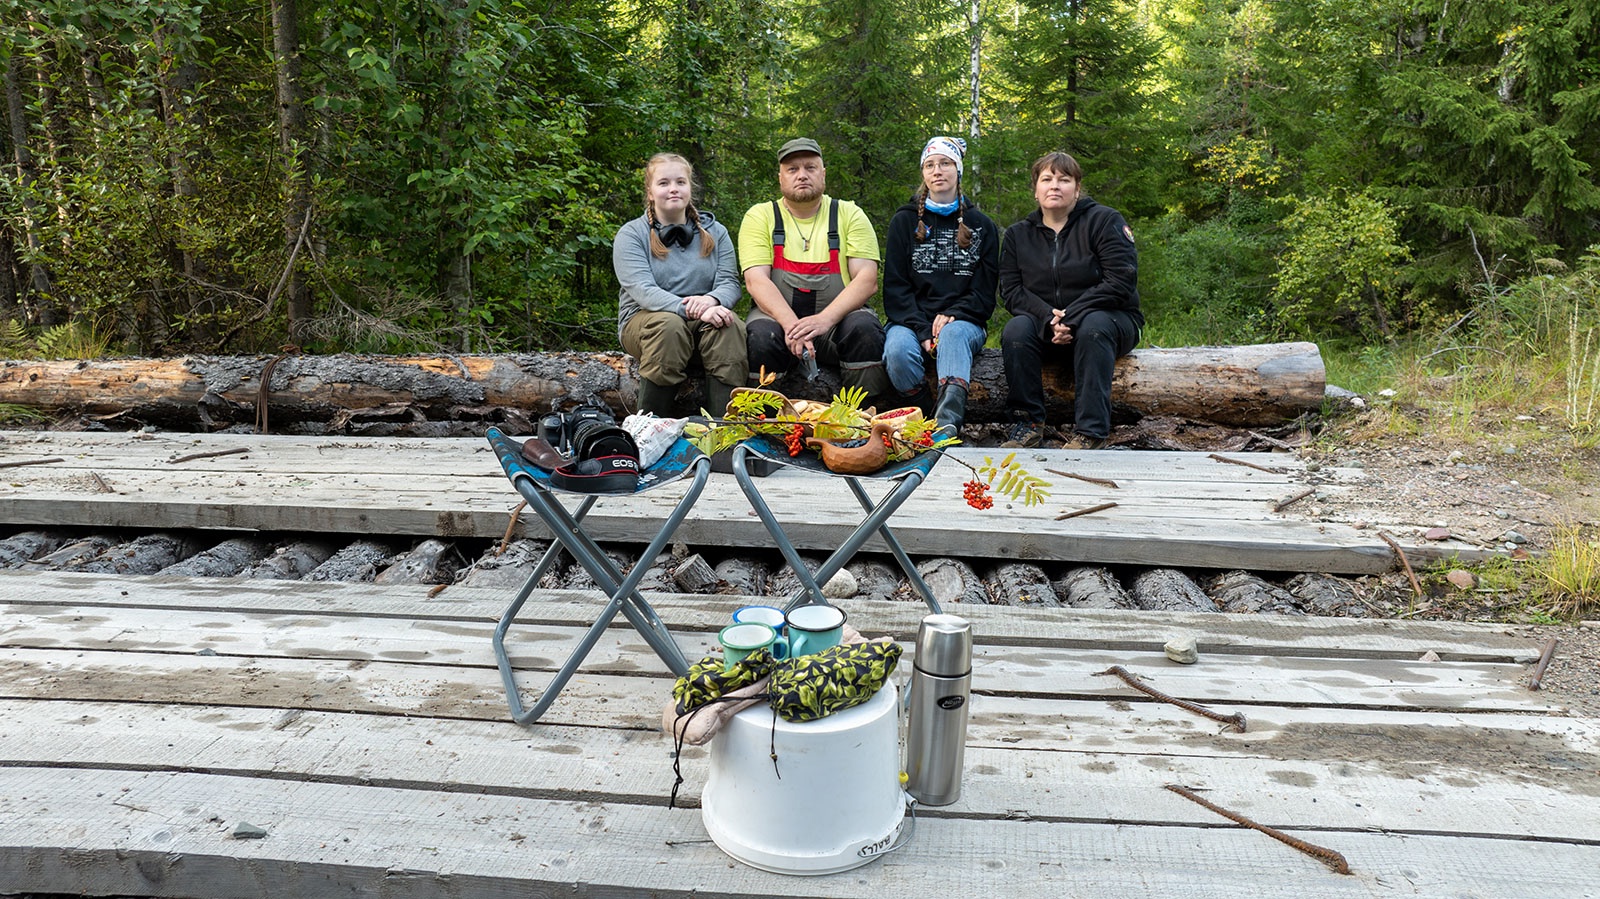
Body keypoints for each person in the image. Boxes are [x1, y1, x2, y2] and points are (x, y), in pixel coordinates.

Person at [999, 151, 1142, 449]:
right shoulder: (1017, 235)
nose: (1055, 186)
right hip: (1048, 326)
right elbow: (1011, 291)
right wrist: (1048, 319)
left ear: (1077, 189)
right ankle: (1028, 424)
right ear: (1035, 189)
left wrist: (1071, 316)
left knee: (1093, 326)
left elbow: (1121, 280)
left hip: (1111, 321)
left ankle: (1090, 432)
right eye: (1047, 179)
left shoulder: (1104, 221)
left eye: (1064, 180)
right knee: (1015, 331)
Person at [739, 138, 891, 404]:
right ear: (780, 178)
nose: (802, 175)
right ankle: (761, 425)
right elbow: (755, 280)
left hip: (834, 327)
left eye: (810, 167)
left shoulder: (849, 214)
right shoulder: (760, 216)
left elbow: (866, 280)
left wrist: (823, 320)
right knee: (763, 336)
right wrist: (791, 326)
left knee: (864, 328)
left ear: (823, 173)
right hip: (778, 324)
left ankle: (863, 422)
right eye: (792, 169)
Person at [613, 152, 746, 417]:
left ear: (689, 189)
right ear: (650, 192)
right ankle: (651, 429)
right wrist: (695, 309)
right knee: (670, 327)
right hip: (645, 320)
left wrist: (712, 301)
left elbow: (730, 282)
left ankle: (723, 432)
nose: (673, 189)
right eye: (663, 183)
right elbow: (643, 291)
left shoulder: (716, 232)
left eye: (680, 182)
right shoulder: (631, 234)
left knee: (729, 326)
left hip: (702, 320)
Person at [881, 136, 998, 434]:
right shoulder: (903, 222)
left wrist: (954, 315)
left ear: (957, 170)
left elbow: (984, 294)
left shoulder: (982, 225)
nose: (938, 171)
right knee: (896, 350)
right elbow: (895, 289)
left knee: (954, 335)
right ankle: (921, 418)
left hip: (964, 321)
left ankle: (947, 425)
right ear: (923, 173)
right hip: (910, 320)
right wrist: (922, 329)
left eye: (945, 163)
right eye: (930, 165)